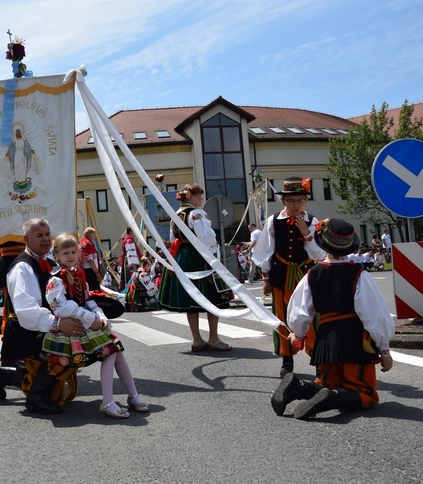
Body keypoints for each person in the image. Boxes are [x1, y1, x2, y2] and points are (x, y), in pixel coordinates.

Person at [270, 218, 394, 419]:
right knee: (365, 392)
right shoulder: (358, 274)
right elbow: (374, 315)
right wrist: (384, 349)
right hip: (355, 340)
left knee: (326, 383)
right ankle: (332, 399)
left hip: (325, 339)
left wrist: (298, 334)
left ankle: (297, 387)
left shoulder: (312, 274)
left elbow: (300, 309)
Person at [0, 218, 86, 415]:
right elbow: (26, 311)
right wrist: (58, 324)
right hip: (25, 329)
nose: (46, 239)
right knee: (64, 348)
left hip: (41, 324)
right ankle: (36, 396)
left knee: (78, 340)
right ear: (26, 239)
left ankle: (2, 376)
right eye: (39, 235)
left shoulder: (48, 261)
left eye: (48, 234)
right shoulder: (21, 267)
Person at [42, 234, 148, 418]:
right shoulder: (55, 280)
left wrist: (100, 315)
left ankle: (133, 395)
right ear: (56, 256)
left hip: (86, 322)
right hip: (71, 328)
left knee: (116, 350)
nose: (70, 256)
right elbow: (60, 307)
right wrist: (90, 318)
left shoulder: (79, 275)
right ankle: (108, 401)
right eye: (65, 252)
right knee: (111, 350)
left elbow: (88, 300)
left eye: (73, 252)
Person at [250, 177, 326, 377]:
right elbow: (265, 250)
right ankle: (287, 360)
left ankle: (318, 360)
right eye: (291, 201)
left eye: (300, 200)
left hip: (306, 275)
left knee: (311, 318)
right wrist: (265, 277)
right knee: (282, 318)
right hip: (281, 275)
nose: (296, 205)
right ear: (283, 202)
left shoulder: (313, 222)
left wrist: (307, 234)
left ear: (306, 201)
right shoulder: (273, 221)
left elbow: (320, 254)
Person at [158, 184, 233, 352]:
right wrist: (215, 255)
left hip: (183, 256)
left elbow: (172, 238)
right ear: (190, 197)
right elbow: (206, 237)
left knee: (191, 298)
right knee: (212, 297)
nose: (201, 199)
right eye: (199, 196)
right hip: (200, 256)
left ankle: (197, 340)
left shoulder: (175, 215)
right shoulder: (197, 213)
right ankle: (213, 338)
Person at [78, 227, 103, 291]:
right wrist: (97, 273)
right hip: (90, 271)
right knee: (94, 290)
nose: (94, 237)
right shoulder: (88, 244)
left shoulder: (81, 243)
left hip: (84, 271)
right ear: (91, 235)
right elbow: (90, 260)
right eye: (94, 235)